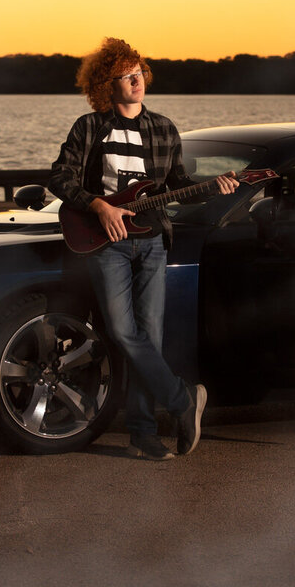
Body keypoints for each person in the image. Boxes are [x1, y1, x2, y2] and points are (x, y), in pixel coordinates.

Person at [48, 38, 238, 460]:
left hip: (152, 242)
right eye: (126, 75)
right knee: (122, 332)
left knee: (147, 339)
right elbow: (59, 178)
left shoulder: (164, 129)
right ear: (106, 84)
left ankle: (143, 433)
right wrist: (98, 206)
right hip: (107, 244)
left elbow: (178, 188)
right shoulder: (89, 127)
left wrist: (216, 188)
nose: (137, 80)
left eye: (140, 72)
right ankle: (182, 400)